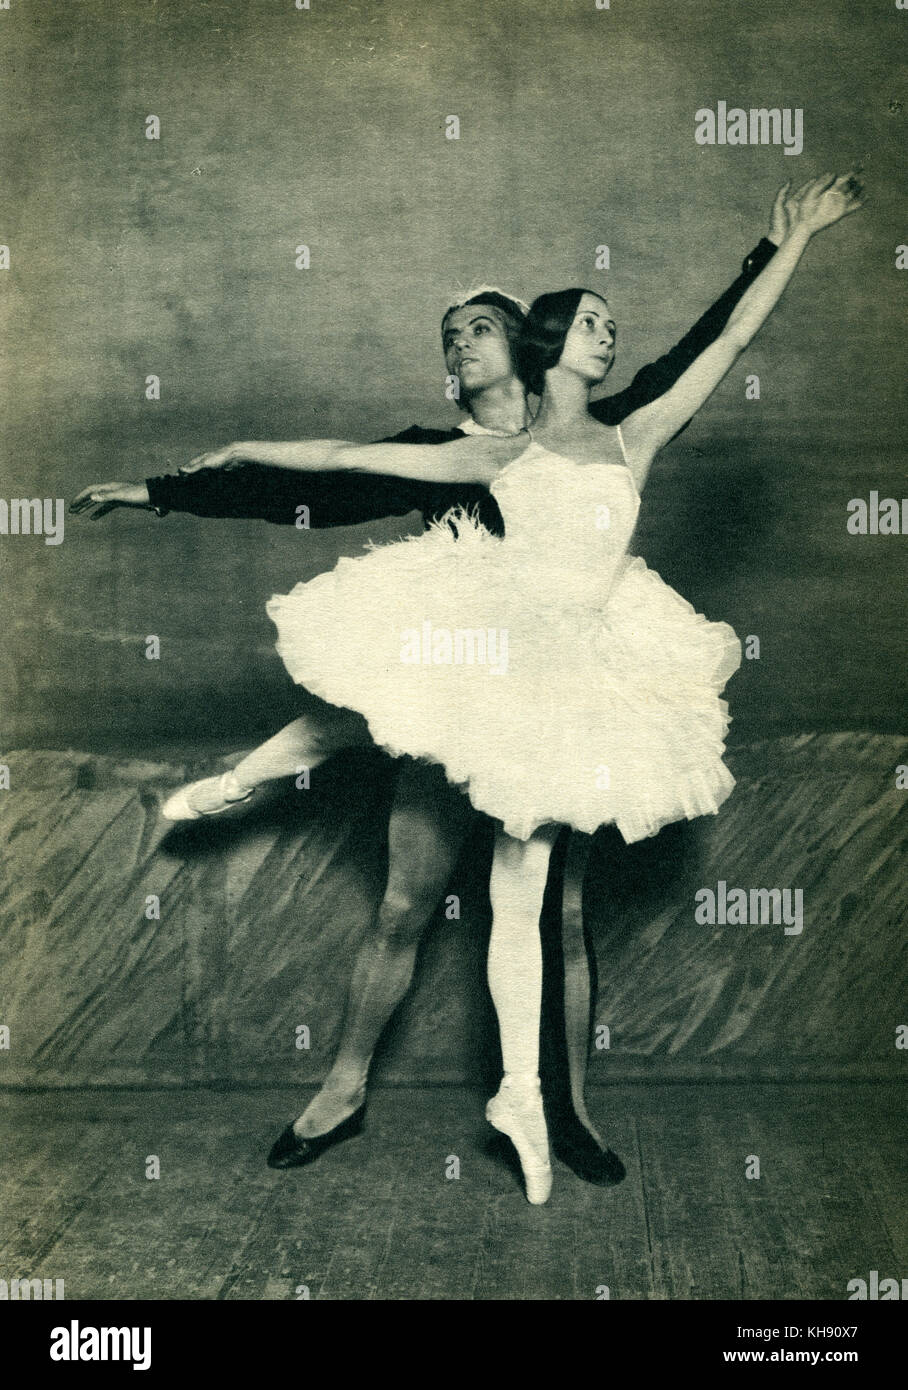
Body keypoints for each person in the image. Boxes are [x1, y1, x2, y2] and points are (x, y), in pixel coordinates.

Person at [70, 189, 806, 1191]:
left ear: (526, 346)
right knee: (406, 903)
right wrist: (164, 490)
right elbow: (316, 483)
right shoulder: (445, 451)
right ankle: (339, 1091)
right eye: (448, 336)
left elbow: (701, 352)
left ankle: (562, 1113)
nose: (461, 344)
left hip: (565, 696)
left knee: (561, 914)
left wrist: (775, 240)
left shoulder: (610, 424)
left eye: (478, 328)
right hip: (452, 705)